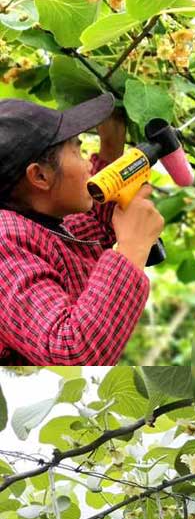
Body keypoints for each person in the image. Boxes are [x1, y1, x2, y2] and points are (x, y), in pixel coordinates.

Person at [0, 93, 164, 364]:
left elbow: (95, 226)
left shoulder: (40, 226)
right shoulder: (4, 240)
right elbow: (71, 353)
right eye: (77, 150)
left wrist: (111, 149)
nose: (88, 162)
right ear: (40, 176)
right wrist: (132, 247)